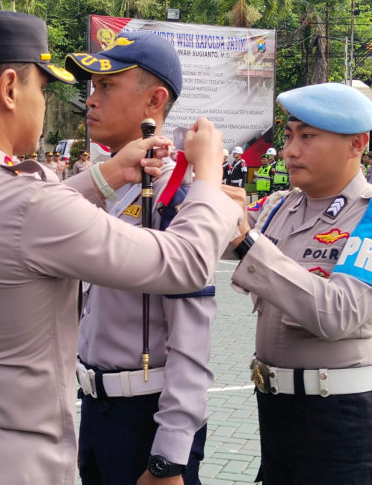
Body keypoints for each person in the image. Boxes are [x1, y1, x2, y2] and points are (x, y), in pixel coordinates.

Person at [0, 11, 239, 485]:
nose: (63, 103)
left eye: (105, 87)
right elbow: (187, 262)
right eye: (42, 88)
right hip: (13, 469)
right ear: (10, 88)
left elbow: (11, 221)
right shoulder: (31, 203)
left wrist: (109, 175)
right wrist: (212, 176)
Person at [228, 82, 372, 484]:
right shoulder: (281, 204)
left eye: (308, 136)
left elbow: (339, 314)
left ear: (356, 144)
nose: (291, 149)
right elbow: (213, 233)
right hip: (277, 412)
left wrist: (247, 240)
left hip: (343, 421)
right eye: (291, 135)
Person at [65, 30, 217, 485]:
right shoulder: (103, 185)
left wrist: (170, 456)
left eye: (106, 87)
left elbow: (192, 335)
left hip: (146, 420)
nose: (91, 100)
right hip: (95, 407)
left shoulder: (175, 194)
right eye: (92, 88)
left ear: (155, 102)